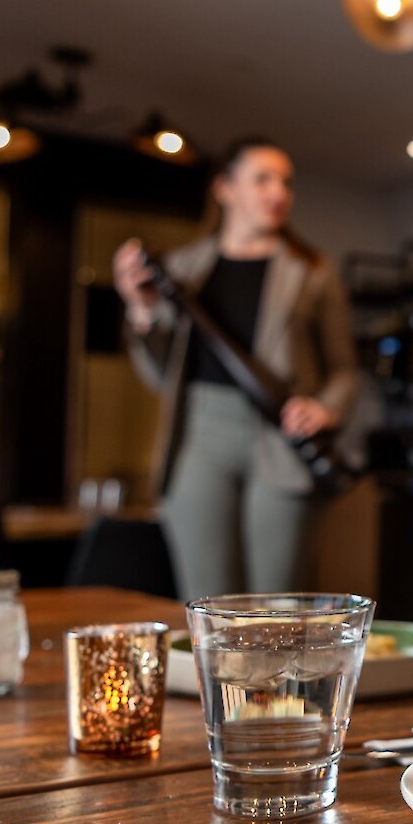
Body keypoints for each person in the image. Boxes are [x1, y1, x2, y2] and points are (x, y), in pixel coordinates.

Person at [114, 136, 358, 599]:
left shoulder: (313, 271)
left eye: (286, 182)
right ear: (224, 188)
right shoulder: (183, 271)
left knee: (280, 607)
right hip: (200, 440)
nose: (278, 192)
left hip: (282, 440)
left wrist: (325, 409)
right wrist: (141, 309)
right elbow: (160, 376)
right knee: (209, 605)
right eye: (262, 178)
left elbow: (345, 369)